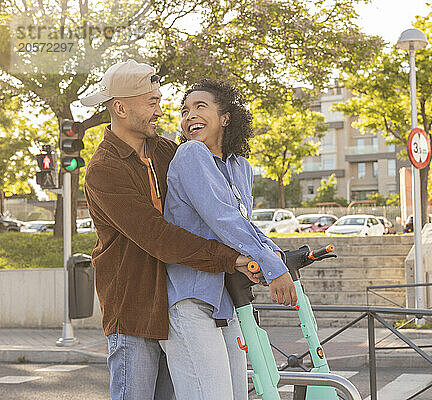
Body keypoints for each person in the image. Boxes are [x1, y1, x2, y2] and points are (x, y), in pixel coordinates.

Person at [82, 60, 255, 400]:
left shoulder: (165, 151)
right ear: (120, 107)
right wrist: (230, 258)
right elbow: (158, 237)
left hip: (176, 306)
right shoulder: (104, 170)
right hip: (136, 312)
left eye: (160, 101)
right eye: (152, 102)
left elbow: (202, 207)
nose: (161, 111)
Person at [159, 79, 297, 400]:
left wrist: (274, 254)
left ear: (225, 117)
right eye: (185, 110)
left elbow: (243, 224)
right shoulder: (190, 154)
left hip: (225, 303)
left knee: (237, 394)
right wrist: (270, 264)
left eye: (200, 106)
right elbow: (223, 219)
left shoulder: (240, 167)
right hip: (189, 300)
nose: (189, 114)